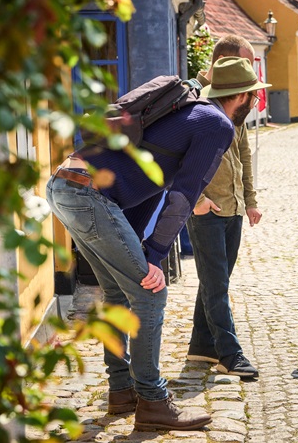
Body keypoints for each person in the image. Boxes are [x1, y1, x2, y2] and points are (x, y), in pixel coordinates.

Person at [45, 57, 269, 431]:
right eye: (254, 97)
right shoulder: (216, 124)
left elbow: (150, 182)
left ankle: (121, 390)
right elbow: (184, 193)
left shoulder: (187, 110)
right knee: (150, 293)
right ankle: (152, 401)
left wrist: (140, 247)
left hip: (65, 185)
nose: (255, 104)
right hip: (88, 196)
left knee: (118, 292)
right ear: (243, 97)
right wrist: (153, 256)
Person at [185, 35, 262, 378]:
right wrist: (197, 202)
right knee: (216, 284)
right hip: (207, 211)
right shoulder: (197, 105)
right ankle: (230, 354)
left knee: (216, 280)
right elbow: (178, 161)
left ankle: (201, 347)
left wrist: (250, 201)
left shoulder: (237, 106)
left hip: (232, 207)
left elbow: (242, 153)